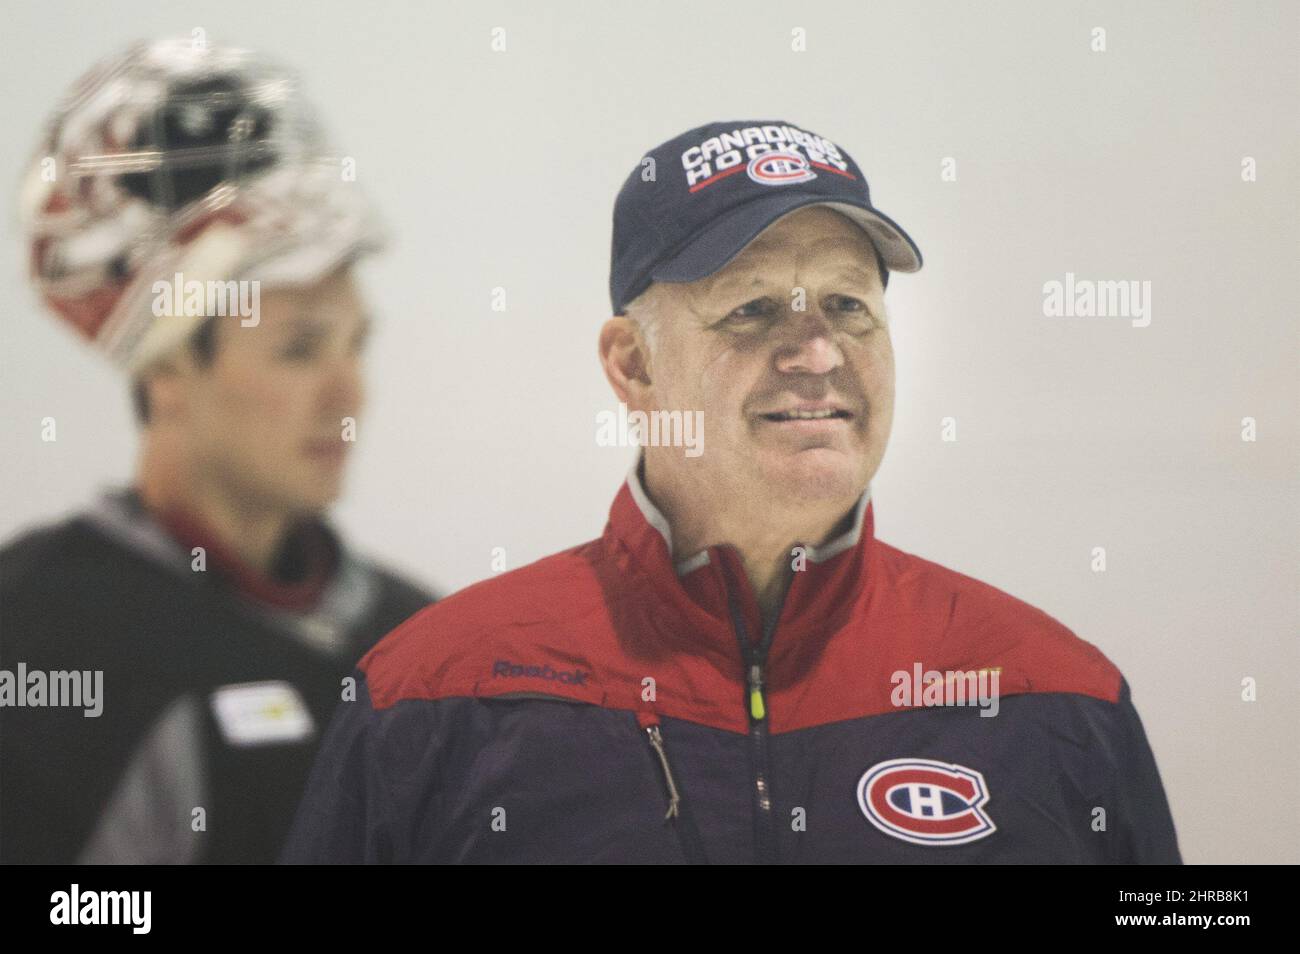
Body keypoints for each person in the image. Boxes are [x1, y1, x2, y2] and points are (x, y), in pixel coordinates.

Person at [281, 119, 1180, 863]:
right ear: (632, 366)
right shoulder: (432, 697)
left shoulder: (1055, 696)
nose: (818, 353)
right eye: (753, 309)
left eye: (847, 305)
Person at [0, 37, 433, 864]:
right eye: (300, 349)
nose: (350, 395)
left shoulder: (419, 642)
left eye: (356, 344)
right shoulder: (32, 646)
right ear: (164, 368)